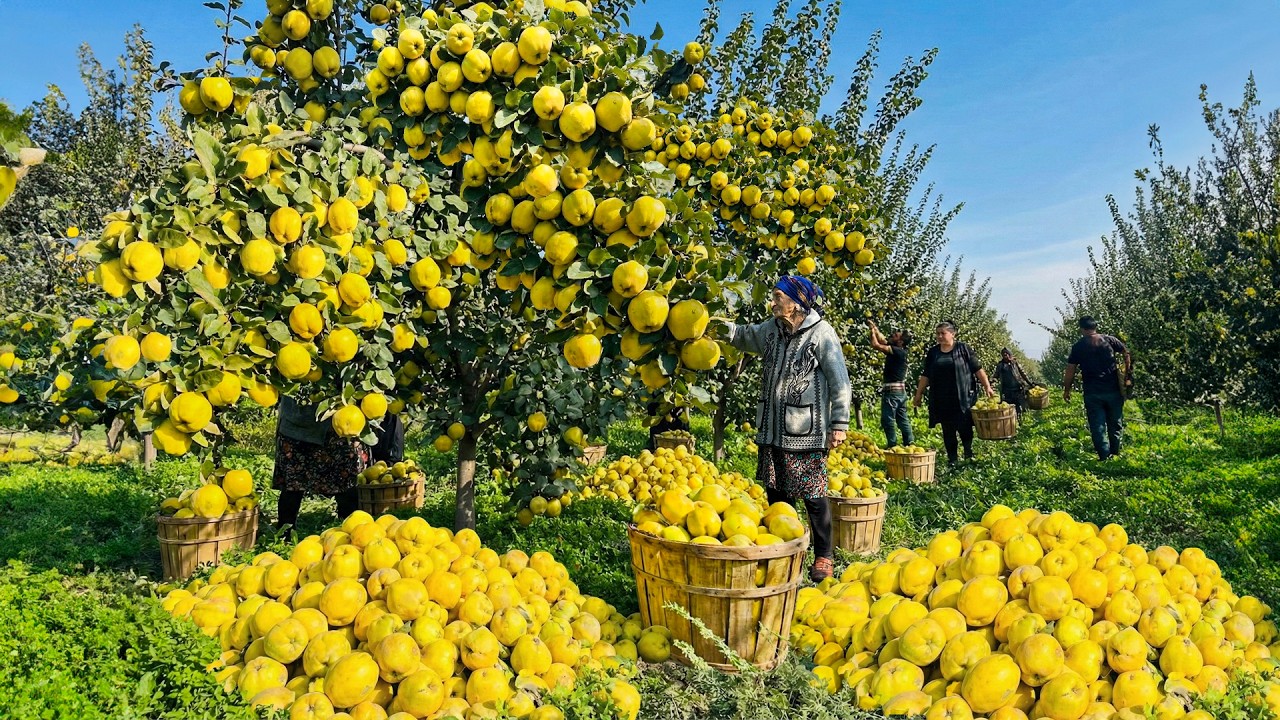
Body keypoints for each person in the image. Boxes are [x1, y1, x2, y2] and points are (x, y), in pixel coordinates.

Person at [724, 276, 850, 582]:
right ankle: (785, 550)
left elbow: (840, 381)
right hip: (772, 429)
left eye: (778, 296)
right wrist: (711, 325)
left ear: (795, 302)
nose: (773, 302)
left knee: (813, 496)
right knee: (777, 494)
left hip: (806, 431)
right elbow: (743, 335)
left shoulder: (821, 333)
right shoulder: (772, 329)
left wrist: (839, 424)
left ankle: (824, 555)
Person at [273, 396, 372, 535]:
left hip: (341, 422)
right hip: (298, 424)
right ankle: (285, 533)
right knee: (292, 486)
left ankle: (351, 533)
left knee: (347, 483)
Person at [912, 321, 995, 465]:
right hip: (942, 398)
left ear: (952, 334)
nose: (939, 336)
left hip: (963, 396)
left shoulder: (963, 349)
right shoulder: (933, 352)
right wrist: (919, 393)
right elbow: (926, 374)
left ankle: (968, 454)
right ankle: (953, 459)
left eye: (942, 333)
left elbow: (977, 369)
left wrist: (987, 386)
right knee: (948, 429)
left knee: (965, 427)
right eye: (937, 333)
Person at [1063, 316, 1131, 460]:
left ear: (1082, 329)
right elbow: (1126, 353)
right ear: (1095, 327)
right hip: (1113, 390)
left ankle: (1104, 456)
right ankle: (1115, 454)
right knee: (1115, 423)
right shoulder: (1110, 340)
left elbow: (1070, 370)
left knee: (1097, 426)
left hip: (1092, 392)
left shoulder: (1078, 346)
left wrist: (1067, 390)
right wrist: (1127, 374)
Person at [867, 320, 914, 448]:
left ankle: (892, 445)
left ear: (900, 342)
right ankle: (909, 443)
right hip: (900, 392)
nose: (892, 335)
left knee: (887, 419)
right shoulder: (900, 350)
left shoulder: (897, 351)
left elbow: (876, 345)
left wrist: (871, 331)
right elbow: (883, 340)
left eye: (896, 335)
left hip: (892, 392)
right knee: (902, 418)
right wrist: (875, 328)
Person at [995, 348, 1034, 419]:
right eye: (1003, 354)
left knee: (1019, 407)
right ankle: (1012, 422)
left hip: (1018, 389)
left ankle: (1020, 421)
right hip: (1007, 391)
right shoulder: (1000, 365)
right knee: (1008, 408)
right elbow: (996, 376)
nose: (1005, 355)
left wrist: (1030, 383)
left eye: (1007, 353)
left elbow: (1023, 373)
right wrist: (990, 382)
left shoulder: (1015, 363)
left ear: (1010, 354)